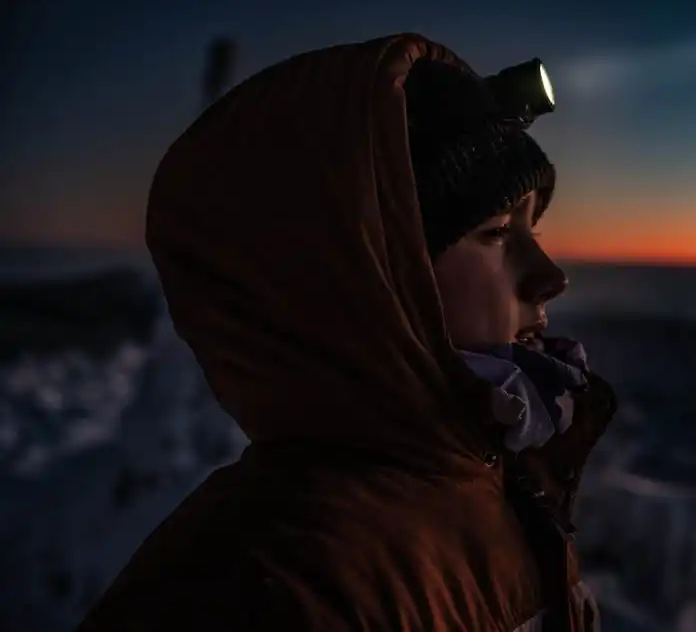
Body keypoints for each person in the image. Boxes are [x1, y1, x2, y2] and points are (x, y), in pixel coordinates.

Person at [77, 33, 617, 632]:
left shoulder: (494, 490)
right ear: (361, 279)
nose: (550, 278)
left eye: (531, 232)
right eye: (493, 233)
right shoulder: (255, 589)